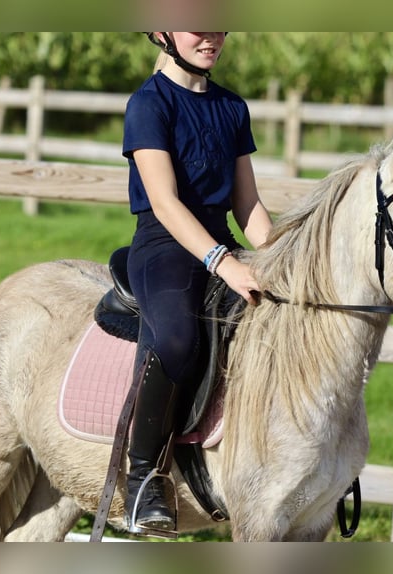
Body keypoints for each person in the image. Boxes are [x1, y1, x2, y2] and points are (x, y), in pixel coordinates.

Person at [121, 32, 273, 534]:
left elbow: (246, 205)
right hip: (164, 245)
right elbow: (164, 202)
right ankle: (143, 478)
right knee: (179, 338)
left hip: (221, 238)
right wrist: (223, 263)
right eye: (197, 27)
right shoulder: (147, 104)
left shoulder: (232, 107)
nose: (212, 38)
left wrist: (277, 259)